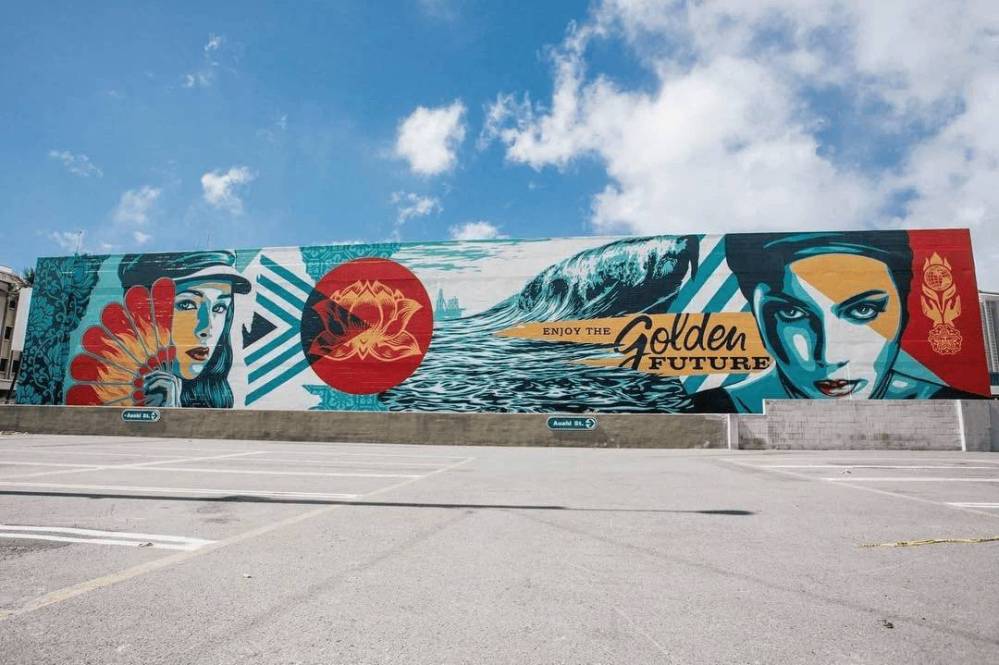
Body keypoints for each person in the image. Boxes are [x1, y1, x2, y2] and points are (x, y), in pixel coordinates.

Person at [690, 231, 973, 413]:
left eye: (863, 310)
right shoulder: (705, 407)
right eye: (792, 314)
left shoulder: (955, 402)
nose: (829, 356)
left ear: (904, 313)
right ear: (756, 317)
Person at [118, 251, 251, 408]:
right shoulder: (118, 387)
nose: (207, 329)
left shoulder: (214, 397)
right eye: (187, 305)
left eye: (219, 307)